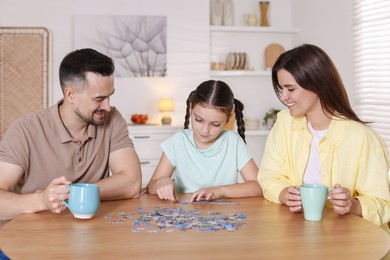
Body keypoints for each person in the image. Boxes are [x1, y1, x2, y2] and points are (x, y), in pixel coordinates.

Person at [0, 48, 142, 225]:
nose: (107, 106)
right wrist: (43, 200)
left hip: (90, 235)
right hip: (29, 239)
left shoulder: (112, 119)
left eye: (109, 96)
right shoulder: (25, 129)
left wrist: (70, 192)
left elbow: (132, 184)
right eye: (99, 99)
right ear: (70, 94)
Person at [258, 43, 390, 231]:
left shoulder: (363, 138)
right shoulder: (284, 123)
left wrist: (352, 205)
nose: (284, 97)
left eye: (291, 89)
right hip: (299, 233)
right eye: (281, 89)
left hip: (353, 242)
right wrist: (283, 193)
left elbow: (383, 205)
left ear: (317, 85)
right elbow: (269, 176)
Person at [147, 80, 262, 202]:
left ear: (227, 120)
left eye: (215, 124)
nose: (205, 130)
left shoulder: (233, 142)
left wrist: (219, 191)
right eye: (199, 120)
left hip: (225, 217)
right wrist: (162, 181)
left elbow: (258, 186)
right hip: (185, 216)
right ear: (191, 109)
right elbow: (151, 187)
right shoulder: (177, 141)